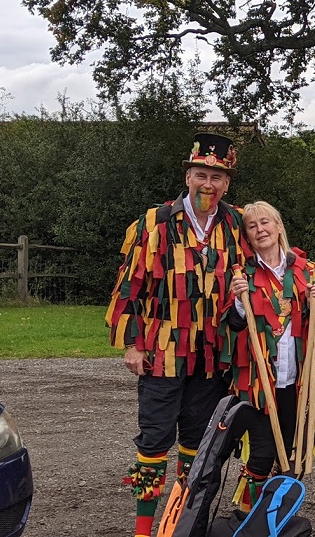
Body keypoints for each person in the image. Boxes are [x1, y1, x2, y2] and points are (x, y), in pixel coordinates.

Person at [105, 133, 247, 537]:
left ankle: (180, 527)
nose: (208, 185)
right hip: (161, 352)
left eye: (217, 178)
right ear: (188, 177)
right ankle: (143, 530)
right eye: (201, 175)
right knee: (154, 441)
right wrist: (132, 344)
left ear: (227, 184)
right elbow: (128, 287)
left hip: (211, 356)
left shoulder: (236, 224)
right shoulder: (155, 222)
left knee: (197, 444)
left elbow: (263, 269)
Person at [223, 201, 315, 510]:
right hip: (260, 382)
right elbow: (233, 326)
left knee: (294, 455)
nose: (260, 229)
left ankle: (279, 518)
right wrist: (238, 301)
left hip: (297, 381)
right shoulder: (241, 273)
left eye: (265, 223)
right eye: (252, 225)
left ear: (278, 227)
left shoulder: (307, 270)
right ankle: (248, 518)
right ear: (246, 236)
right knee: (262, 453)